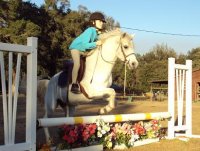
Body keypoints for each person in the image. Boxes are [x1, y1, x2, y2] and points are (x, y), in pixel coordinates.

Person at [69, 12, 106, 94]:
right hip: (76, 48)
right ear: (93, 22)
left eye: (102, 22)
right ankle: (74, 84)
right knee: (77, 64)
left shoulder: (96, 33)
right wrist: (96, 43)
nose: (102, 23)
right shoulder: (90, 30)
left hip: (83, 51)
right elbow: (85, 45)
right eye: (100, 21)